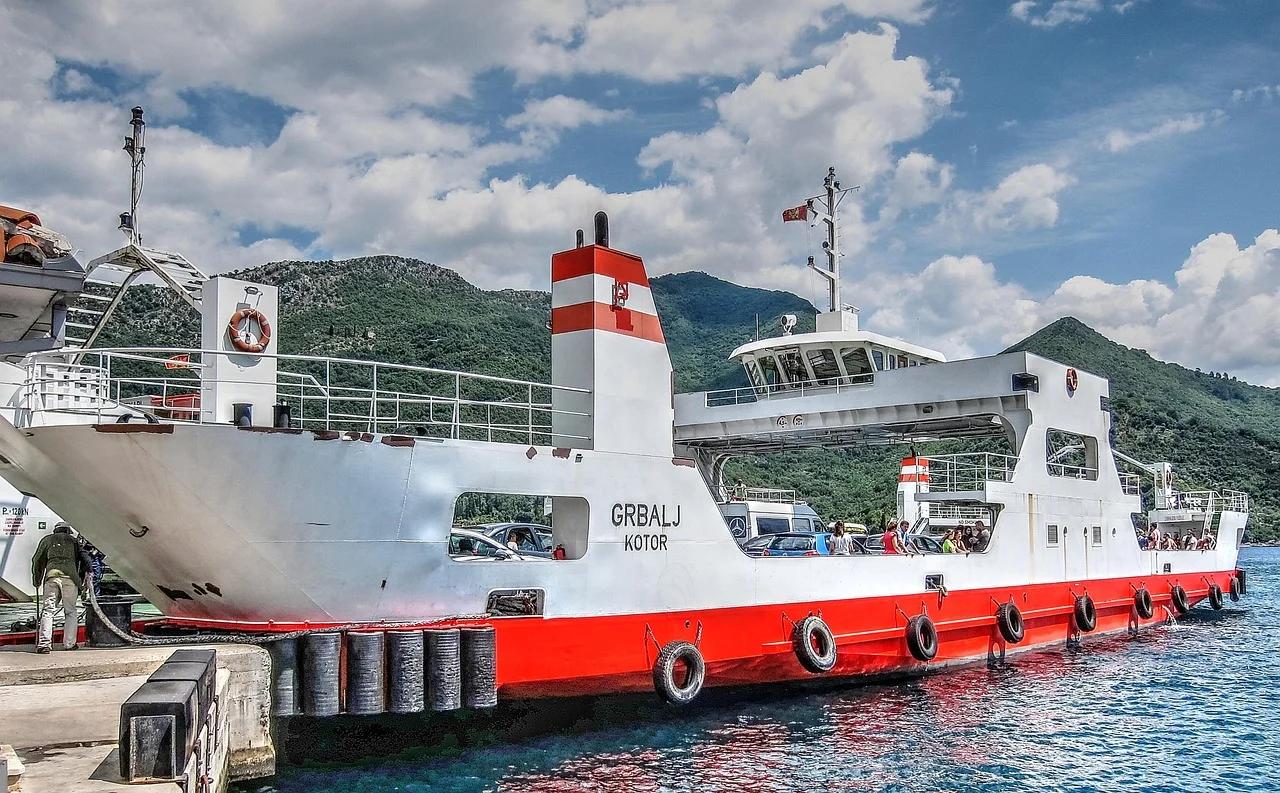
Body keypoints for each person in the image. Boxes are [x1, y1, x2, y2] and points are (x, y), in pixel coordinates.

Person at [30, 522, 89, 654]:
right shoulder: (73, 541)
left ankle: (44, 644)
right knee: (71, 611)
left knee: (48, 611)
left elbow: (37, 560)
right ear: (68, 531)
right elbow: (83, 559)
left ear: (55, 530)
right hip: (70, 578)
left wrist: (37, 580)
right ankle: (69, 643)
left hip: (51, 577)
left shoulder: (47, 540)